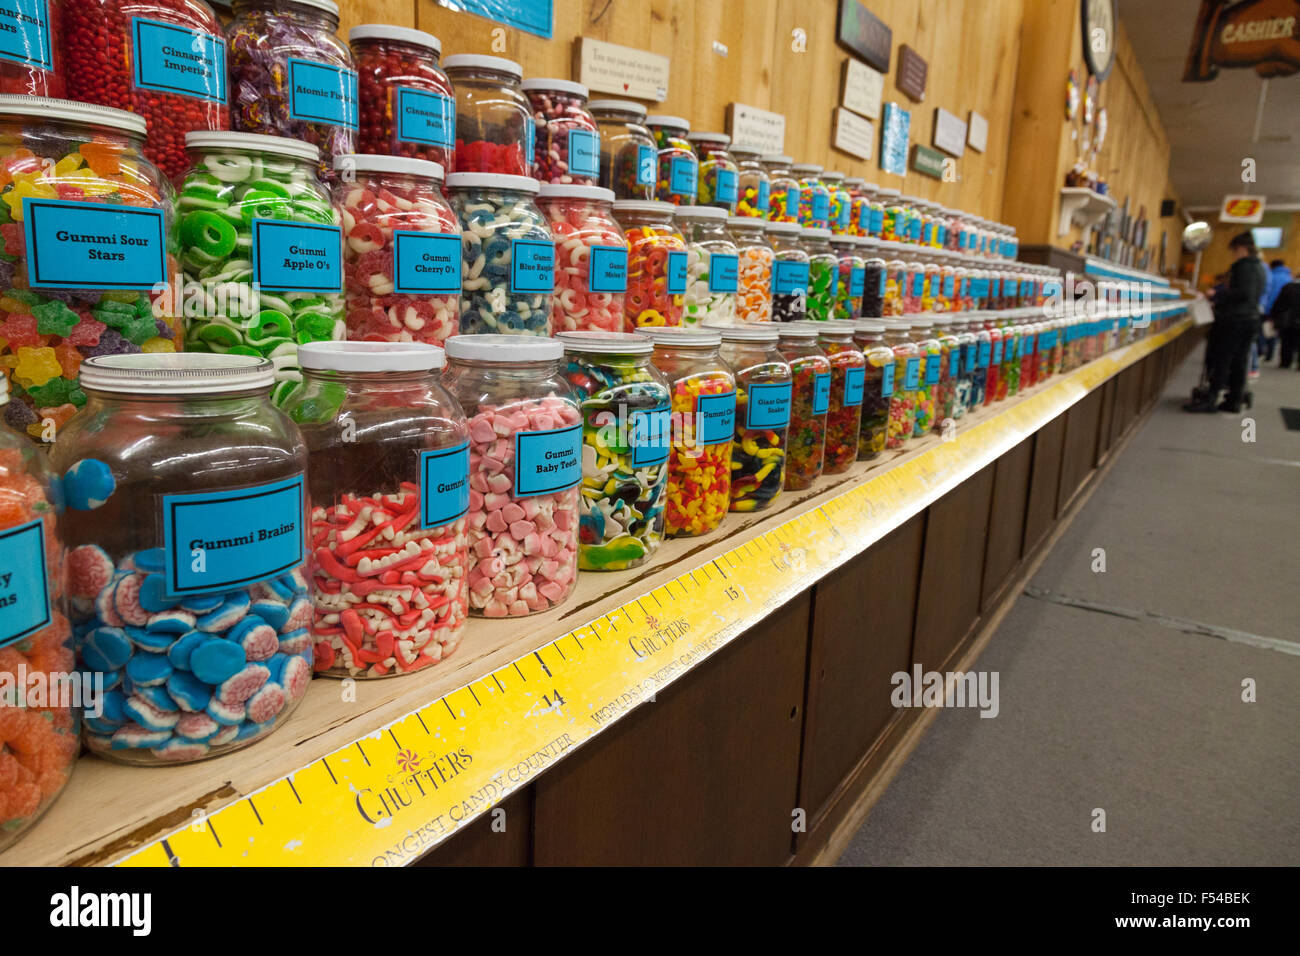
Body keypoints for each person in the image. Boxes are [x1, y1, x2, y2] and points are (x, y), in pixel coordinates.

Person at [1186, 232, 1267, 413]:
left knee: (1223, 359)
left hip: (1235, 321)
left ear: (1241, 249)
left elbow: (1242, 293)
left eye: (1234, 251)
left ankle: (1212, 398)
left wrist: (1217, 295)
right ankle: (1234, 400)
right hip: (1250, 319)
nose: (1234, 254)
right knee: (1240, 361)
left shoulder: (1243, 267)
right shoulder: (1260, 267)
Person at [1259, 258, 1292, 363]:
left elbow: (1269, 294)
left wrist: (1268, 309)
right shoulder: (1288, 278)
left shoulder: (1271, 276)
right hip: (1284, 311)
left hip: (1271, 308)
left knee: (1264, 330)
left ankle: (1262, 351)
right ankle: (1270, 354)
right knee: (1275, 332)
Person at [1272, 276, 1300, 370]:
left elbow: (1279, 303)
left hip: (1288, 319)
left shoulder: (1288, 287)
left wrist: (1274, 314)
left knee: (1286, 341)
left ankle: (1285, 362)